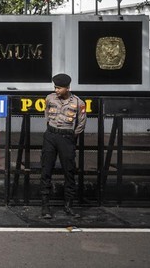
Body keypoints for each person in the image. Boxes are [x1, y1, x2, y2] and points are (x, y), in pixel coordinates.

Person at [40, 73, 87, 219]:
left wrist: (71, 136)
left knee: (69, 171)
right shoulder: (50, 98)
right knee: (46, 169)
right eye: (55, 87)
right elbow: (46, 113)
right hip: (51, 135)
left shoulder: (78, 102)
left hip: (67, 137)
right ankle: (45, 206)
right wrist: (51, 129)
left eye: (59, 88)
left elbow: (81, 123)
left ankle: (68, 206)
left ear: (67, 88)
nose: (56, 90)